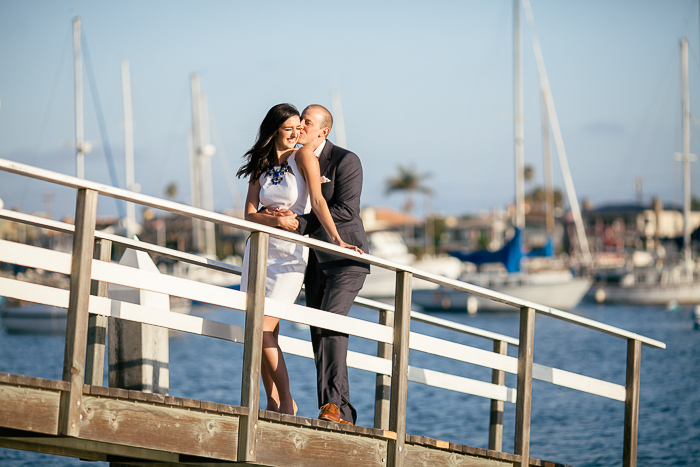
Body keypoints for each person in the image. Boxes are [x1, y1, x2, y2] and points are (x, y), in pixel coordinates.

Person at [236, 103, 361, 416]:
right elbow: (249, 215)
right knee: (260, 328)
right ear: (275, 129)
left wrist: (337, 239)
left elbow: (318, 201)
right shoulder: (259, 163)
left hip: (290, 254)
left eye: (301, 126)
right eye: (290, 127)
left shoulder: (303, 156)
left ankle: (288, 399)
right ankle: (272, 401)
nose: (297, 132)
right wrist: (272, 220)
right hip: (260, 251)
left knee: (262, 327)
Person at [271, 104, 370, 425]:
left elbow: (346, 211)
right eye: (299, 123)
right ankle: (337, 409)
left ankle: (335, 408)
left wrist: (298, 222)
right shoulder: (295, 160)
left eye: (308, 124)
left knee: (331, 322)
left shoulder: (345, 160)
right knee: (319, 330)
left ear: (323, 131)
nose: (300, 128)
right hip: (311, 260)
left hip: (346, 259)